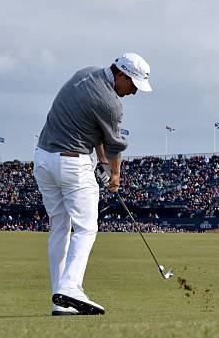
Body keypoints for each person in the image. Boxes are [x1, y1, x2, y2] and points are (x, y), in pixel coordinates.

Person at [33, 53, 152, 316]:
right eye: (132, 85)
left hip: (43, 160)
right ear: (121, 75)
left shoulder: (85, 73)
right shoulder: (111, 103)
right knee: (86, 229)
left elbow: (92, 128)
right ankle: (71, 286)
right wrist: (115, 176)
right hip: (71, 162)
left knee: (60, 228)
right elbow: (114, 145)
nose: (133, 92)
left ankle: (59, 298)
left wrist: (100, 161)